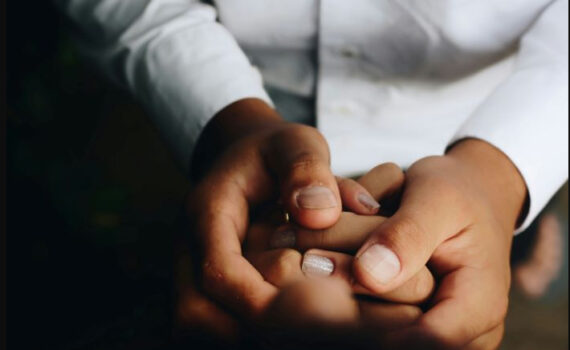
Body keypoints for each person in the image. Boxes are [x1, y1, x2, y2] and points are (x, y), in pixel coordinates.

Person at [56, 0, 568, 348]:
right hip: (236, 118)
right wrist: (228, 127)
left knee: (492, 243)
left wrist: (503, 174)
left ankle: (520, 235)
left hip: (481, 115)